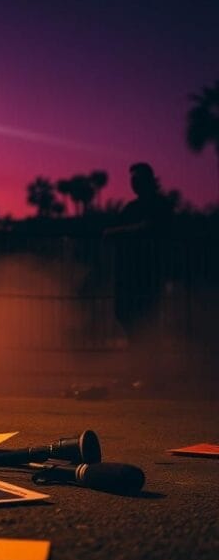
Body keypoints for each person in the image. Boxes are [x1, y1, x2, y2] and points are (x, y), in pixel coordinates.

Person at [110, 163, 173, 392]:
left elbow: (149, 228)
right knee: (129, 320)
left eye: (138, 179)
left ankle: (150, 375)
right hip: (129, 275)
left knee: (146, 323)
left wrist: (116, 233)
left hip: (148, 274)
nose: (134, 183)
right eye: (132, 179)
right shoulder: (132, 207)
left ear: (148, 180)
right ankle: (140, 373)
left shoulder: (158, 205)